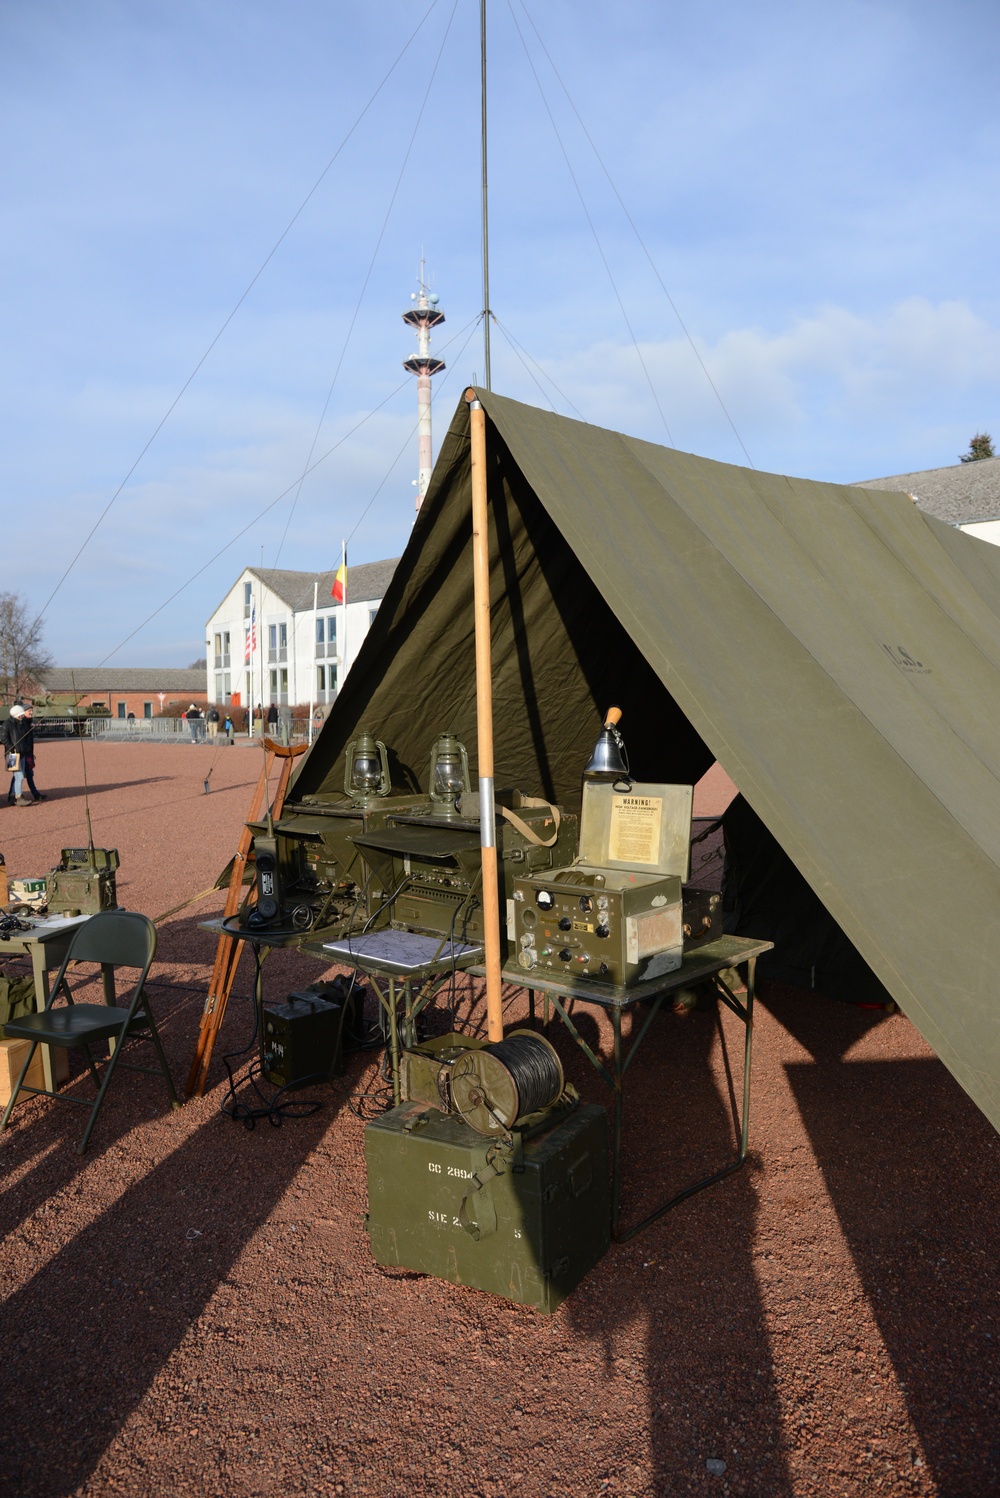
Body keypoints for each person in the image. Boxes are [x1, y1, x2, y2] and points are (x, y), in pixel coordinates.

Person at [2, 704, 44, 805]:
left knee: (18, 776)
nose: (22, 716)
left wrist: (26, 749)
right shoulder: (7, 724)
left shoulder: (21, 724)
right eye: (20, 714)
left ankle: (14, 796)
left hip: (22, 754)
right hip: (12, 755)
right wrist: (12, 747)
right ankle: (18, 797)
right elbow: (4, 738)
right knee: (19, 776)